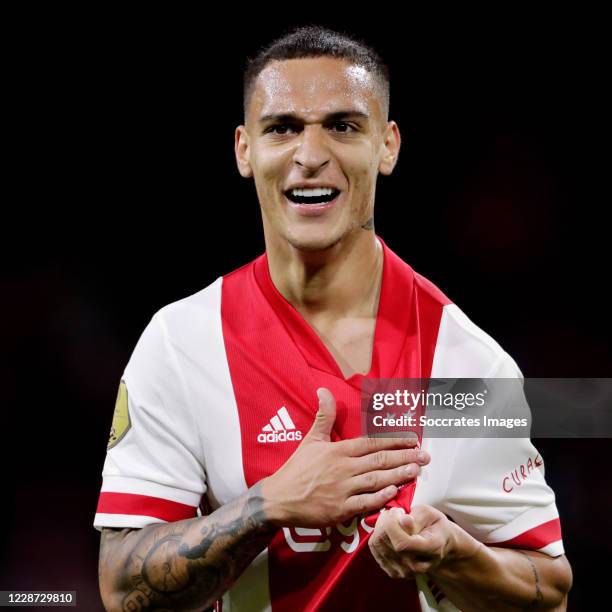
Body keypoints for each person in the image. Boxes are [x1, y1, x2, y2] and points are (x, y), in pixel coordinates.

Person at [95, 26, 572, 611]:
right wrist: (268, 505)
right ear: (245, 150)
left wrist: (453, 553)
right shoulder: (181, 343)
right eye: (283, 128)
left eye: (343, 126)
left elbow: (550, 593)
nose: (311, 155)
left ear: (388, 146)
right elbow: (121, 590)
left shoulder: (465, 365)